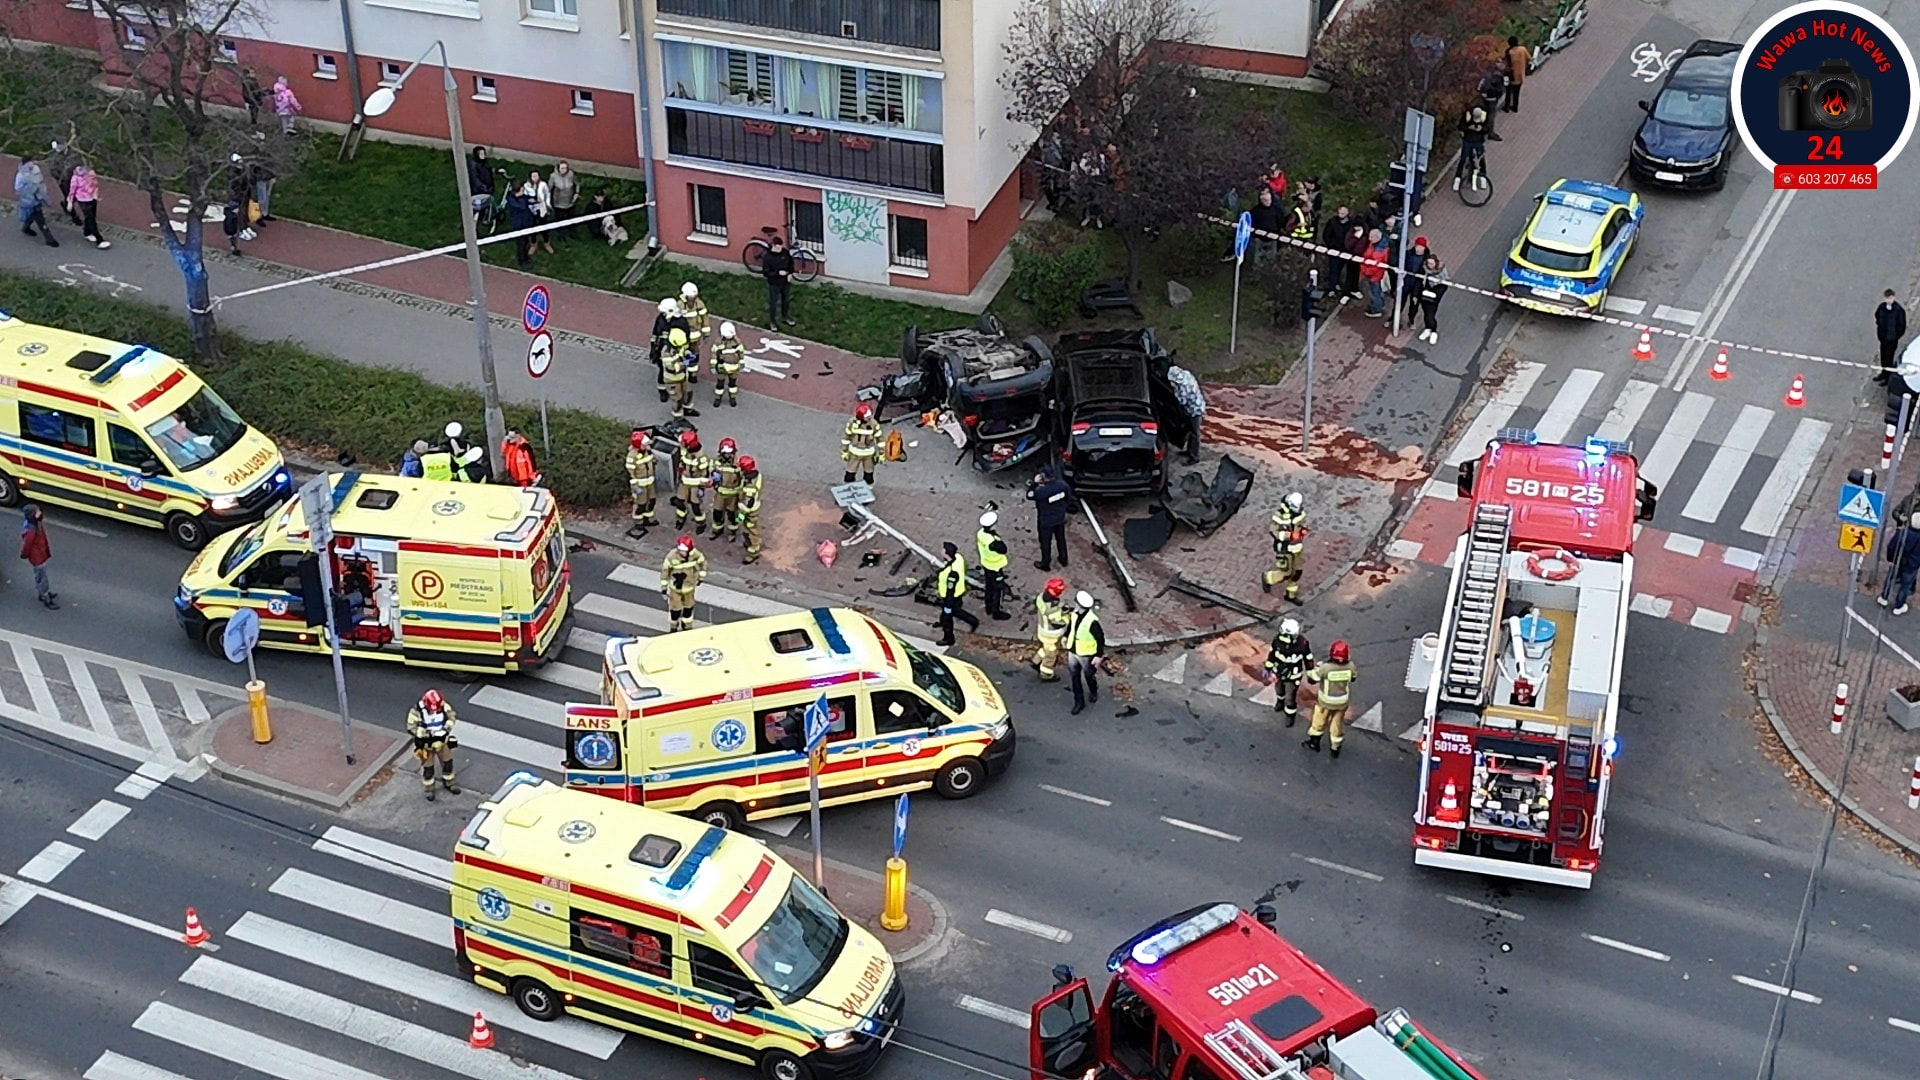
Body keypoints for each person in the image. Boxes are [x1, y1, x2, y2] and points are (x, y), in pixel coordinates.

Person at [1303, 640, 1356, 758]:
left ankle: (1314, 743)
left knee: (1319, 721)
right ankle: (1335, 748)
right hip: (1342, 702)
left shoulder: (1326, 668)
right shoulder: (1351, 666)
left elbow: (1313, 678)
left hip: (1326, 702)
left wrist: (1315, 667)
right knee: (1337, 725)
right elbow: (1353, 678)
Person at [407, 689, 460, 799]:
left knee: (448, 763)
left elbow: (452, 717)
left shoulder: (443, 706)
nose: (434, 711)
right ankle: (429, 789)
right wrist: (425, 733)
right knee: (428, 768)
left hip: (442, 741)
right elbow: (411, 727)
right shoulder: (416, 711)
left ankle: (450, 783)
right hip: (427, 745)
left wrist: (446, 729)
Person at [1262, 618, 1313, 728]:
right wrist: (1268, 668)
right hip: (1279, 672)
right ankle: (1280, 702)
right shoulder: (1277, 641)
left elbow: (1308, 658)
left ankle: (1290, 715)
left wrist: (1310, 673)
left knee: (1290, 697)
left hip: (1293, 676)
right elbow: (1272, 655)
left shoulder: (1302, 643)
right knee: (1279, 690)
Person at [1264, 492, 1307, 602]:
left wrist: (1303, 531)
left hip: (1297, 547)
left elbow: (1302, 525)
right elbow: (1273, 531)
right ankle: (1267, 578)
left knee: (1297, 572)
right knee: (1286, 573)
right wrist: (1289, 535)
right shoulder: (1279, 516)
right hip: (1284, 549)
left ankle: (1290, 595)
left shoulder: (1299, 513)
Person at [1027, 467, 1073, 571]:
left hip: (1046, 521)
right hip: (1060, 518)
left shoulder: (1042, 491)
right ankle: (1063, 559)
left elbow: (1029, 495)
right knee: (1061, 539)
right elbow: (1068, 500)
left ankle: (1045, 564)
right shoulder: (1063, 485)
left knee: (1045, 543)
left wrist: (1034, 484)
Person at [934, 541, 979, 646]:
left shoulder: (951, 573)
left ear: (946, 554)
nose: (941, 551)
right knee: (953, 610)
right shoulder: (958, 558)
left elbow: (950, 589)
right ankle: (944, 620)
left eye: (943, 550)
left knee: (948, 616)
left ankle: (949, 638)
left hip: (950, 597)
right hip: (959, 592)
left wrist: (948, 605)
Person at [1066, 591, 1104, 716]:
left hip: (1086, 655)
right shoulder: (1074, 614)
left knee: (1088, 675)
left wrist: (1098, 656)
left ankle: (1093, 690)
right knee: (1074, 677)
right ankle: (1079, 701)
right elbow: (1071, 627)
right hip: (1073, 651)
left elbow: (1100, 639)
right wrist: (1065, 637)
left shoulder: (1092, 622)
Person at [661, 534, 708, 632]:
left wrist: (701, 577)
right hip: (675, 589)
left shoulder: (696, 555)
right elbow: (665, 571)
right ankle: (673, 627)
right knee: (675, 609)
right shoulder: (672, 556)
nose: (681, 552)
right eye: (680, 550)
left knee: (688, 608)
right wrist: (664, 588)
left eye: (684, 551)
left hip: (689, 587)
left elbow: (703, 564)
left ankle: (687, 627)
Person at [672, 428, 712, 534]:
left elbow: (705, 477)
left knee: (696, 507)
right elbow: (682, 460)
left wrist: (701, 487)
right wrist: (681, 468)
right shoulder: (685, 450)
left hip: (695, 485)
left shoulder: (701, 458)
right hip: (684, 482)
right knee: (680, 502)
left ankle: (701, 523)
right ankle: (681, 518)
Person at [1033, 577, 1072, 681]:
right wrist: (1068, 616)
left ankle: (1036, 661)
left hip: (1042, 630)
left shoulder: (1041, 598)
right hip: (1051, 635)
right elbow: (1058, 622)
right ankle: (1046, 674)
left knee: (1046, 648)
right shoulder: (1052, 608)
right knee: (1051, 655)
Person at [1167, 363, 1207, 464]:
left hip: (1195, 411)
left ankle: (1195, 457)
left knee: (1194, 433)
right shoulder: (1187, 375)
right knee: (1190, 432)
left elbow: (1182, 402)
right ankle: (1190, 451)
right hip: (1198, 406)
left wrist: (1174, 390)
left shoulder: (1183, 387)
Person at [15, 154, 57, 248]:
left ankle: (26, 228)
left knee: (32, 215)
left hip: (37, 199)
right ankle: (50, 240)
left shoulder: (35, 170)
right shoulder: (21, 176)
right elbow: (19, 189)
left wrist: (43, 195)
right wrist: (31, 191)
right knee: (40, 220)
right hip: (30, 200)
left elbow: (41, 183)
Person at [976, 510, 1012, 620]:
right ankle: (996, 612)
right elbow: (1003, 549)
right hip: (995, 567)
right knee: (998, 590)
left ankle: (988, 606)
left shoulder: (980, 533)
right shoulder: (993, 542)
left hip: (986, 564)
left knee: (989, 587)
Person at [650, 297, 686, 404]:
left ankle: (680, 391)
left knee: (680, 370)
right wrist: (653, 348)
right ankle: (663, 391)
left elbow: (686, 337)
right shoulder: (660, 319)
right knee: (662, 369)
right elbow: (655, 334)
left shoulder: (680, 322)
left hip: (678, 350)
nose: (663, 314)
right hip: (662, 348)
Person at [1880, 520, 1920, 613]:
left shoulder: (1902, 532)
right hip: (1912, 566)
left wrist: (1890, 559)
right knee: (1905, 585)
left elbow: (1892, 546)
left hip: (1898, 561)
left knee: (1891, 578)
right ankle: (1898, 606)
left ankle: (1884, 598)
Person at [65, 162, 107, 249]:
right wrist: (70, 202)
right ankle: (99, 239)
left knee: (91, 217)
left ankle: (87, 232)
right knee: (91, 219)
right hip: (83, 200)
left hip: (92, 198)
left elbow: (95, 184)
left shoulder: (91, 173)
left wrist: (95, 195)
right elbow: (72, 191)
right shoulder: (75, 178)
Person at [20, 504, 55, 610]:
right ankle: (45, 596)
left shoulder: (36, 524)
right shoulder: (32, 530)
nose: (40, 513)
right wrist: (24, 554)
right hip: (38, 557)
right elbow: (27, 545)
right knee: (42, 577)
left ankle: (43, 592)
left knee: (41, 576)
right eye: (38, 512)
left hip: (40, 554)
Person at [626, 428, 659, 537]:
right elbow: (631, 473)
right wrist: (635, 486)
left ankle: (647, 519)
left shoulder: (647, 450)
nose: (646, 445)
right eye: (644, 444)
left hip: (650, 483)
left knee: (651, 501)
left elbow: (651, 461)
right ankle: (639, 523)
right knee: (640, 505)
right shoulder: (632, 456)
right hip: (640, 485)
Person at [711, 437, 743, 543]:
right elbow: (711, 471)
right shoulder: (717, 462)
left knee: (732, 515)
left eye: (729, 453)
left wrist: (742, 495)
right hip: (720, 494)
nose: (727, 455)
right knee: (717, 513)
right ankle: (717, 530)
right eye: (725, 453)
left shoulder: (738, 465)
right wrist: (712, 476)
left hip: (733, 496)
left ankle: (732, 532)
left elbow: (743, 480)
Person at [761, 235, 795, 331]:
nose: (780, 249)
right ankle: (772, 322)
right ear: (773, 246)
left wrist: (790, 273)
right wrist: (777, 273)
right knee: (773, 303)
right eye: (777, 247)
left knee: (786, 300)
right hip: (774, 283)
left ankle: (785, 317)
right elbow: (766, 272)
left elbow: (790, 263)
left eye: (780, 246)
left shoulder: (785, 253)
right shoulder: (767, 257)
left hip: (785, 282)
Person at [842, 402, 881, 485]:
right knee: (850, 472)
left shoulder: (873, 424)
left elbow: (879, 438)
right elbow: (846, 437)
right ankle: (849, 487)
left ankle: (868, 487)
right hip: (854, 453)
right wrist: (844, 451)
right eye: (867, 417)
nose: (869, 418)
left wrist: (881, 453)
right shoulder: (852, 423)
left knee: (869, 473)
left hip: (868, 454)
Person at [1320, 205, 1355, 297]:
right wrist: (1332, 246)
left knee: (1340, 268)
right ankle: (1332, 288)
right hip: (1334, 250)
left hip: (1346, 251)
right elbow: (1326, 235)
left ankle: (1337, 283)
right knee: (1333, 269)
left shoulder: (1352, 223)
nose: (1341, 215)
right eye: (1339, 213)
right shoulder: (1332, 222)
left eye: (1343, 213)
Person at [1416, 254, 1450, 346]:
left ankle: (1433, 331)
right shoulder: (1425, 269)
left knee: (1431, 314)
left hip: (1435, 295)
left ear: (1436, 263)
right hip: (1425, 294)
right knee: (1426, 313)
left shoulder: (1441, 271)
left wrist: (1436, 294)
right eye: (1428, 263)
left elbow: (1444, 284)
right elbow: (1422, 280)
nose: (1430, 265)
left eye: (1432, 263)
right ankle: (1428, 329)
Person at [679, 282, 709, 385]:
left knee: (695, 354)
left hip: (696, 336)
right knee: (682, 354)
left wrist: (706, 333)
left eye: (694, 297)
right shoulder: (679, 305)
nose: (692, 299)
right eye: (690, 297)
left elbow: (705, 318)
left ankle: (693, 374)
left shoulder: (699, 304)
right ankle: (682, 371)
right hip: (683, 337)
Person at [1876, 289, 1908, 384]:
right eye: (1887, 298)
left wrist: (1895, 336)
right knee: (1883, 356)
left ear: (1893, 297)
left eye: (1890, 298)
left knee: (1889, 358)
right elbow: (1877, 317)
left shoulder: (1898, 310)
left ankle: (1888, 377)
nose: (1888, 300)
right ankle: (1883, 373)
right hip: (1883, 337)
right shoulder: (1881, 307)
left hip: (1892, 339)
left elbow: (1902, 325)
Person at [1456, 107, 1492, 190]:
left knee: (1481, 158)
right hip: (1467, 139)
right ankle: (1457, 178)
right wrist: (1469, 128)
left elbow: (1488, 128)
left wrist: (1482, 129)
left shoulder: (1484, 116)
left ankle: (1483, 177)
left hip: (1478, 140)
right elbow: (1460, 126)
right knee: (1463, 158)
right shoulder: (1467, 116)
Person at [736, 455, 764, 564]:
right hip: (753, 507)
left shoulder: (749, 488)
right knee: (748, 528)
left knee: (751, 529)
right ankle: (750, 543)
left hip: (749, 511)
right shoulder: (756, 476)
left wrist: (740, 517)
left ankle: (753, 552)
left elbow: (747, 505)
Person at [662, 329, 695, 421]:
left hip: (683, 376)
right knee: (677, 399)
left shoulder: (679, 345)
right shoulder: (666, 353)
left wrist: (688, 354)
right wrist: (684, 363)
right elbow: (671, 369)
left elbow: (683, 351)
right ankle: (678, 417)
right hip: (672, 380)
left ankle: (688, 409)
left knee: (688, 392)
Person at [711, 322, 746, 408]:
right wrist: (713, 365)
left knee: (732, 384)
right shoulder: (718, 342)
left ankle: (732, 398)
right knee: (720, 384)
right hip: (722, 367)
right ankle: (718, 398)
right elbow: (714, 353)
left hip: (734, 366)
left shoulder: (737, 342)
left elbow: (740, 352)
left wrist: (741, 361)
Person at [1359, 230, 1389, 317]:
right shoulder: (1378, 245)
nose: (1369, 239)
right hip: (1376, 274)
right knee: (1377, 291)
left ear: (1377, 237)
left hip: (1373, 275)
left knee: (1374, 292)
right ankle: (1380, 304)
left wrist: (1365, 271)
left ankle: (1376, 309)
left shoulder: (1378, 251)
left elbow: (1374, 267)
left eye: (1371, 237)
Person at [548, 160, 578, 240]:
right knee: (560, 219)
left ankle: (572, 232)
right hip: (558, 202)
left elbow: (577, 184)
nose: (564, 170)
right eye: (562, 168)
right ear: (558, 168)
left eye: (565, 168)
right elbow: (549, 189)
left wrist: (576, 193)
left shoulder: (571, 174)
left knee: (571, 217)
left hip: (570, 200)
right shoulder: (553, 176)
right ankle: (560, 234)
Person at [467, 147, 497, 221]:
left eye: (484, 153)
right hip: (478, 191)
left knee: (484, 207)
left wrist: (496, 170)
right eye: (481, 154)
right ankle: (473, 222)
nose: (483, 155)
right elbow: (475, 179)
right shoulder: (474, 165)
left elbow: (488, 170)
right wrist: (483, 187)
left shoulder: (484, 163)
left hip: (486, 188)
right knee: (478, 208)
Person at [1502, 37, 1530, 113]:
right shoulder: (1523, 49)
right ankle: (1515, 107)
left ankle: (1506, 106)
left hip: (1510, 76)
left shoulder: (1509, 52)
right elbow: (1528, 58)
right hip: (1520, 75)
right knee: (1516, 93)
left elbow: (1506, 64)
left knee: (1508, 91)